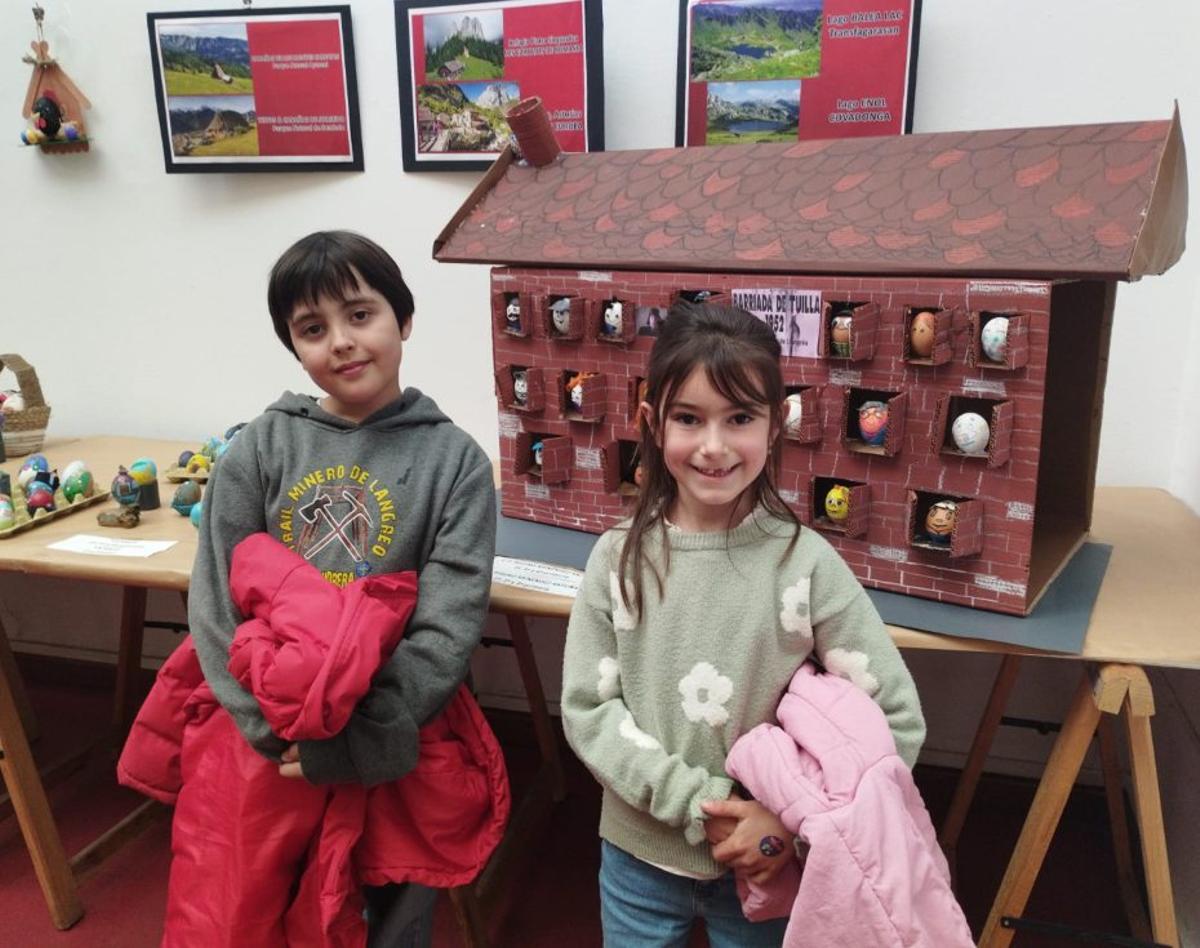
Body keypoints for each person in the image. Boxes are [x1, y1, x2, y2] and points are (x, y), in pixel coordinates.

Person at [560, 301, 925, 947]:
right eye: (688, 418)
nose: (713, 446)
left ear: (777, 423)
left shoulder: (807, 564)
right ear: (652, 422)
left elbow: (894, 718)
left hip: (773, 862)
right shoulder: (617, 558)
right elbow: (589, 709)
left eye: (740, 418)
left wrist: (793, 817)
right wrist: (707, 808)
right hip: (637, 859)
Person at [188, 230, 497, 947]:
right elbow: (214, 603)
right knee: (267, 906)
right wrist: (270, 732)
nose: (342, 342)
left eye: (361, 315)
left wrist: (361, 739)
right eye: (312, 328)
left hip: (396, 731)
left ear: (404, 319)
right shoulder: (259, 448)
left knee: (393, 908)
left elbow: (448, 623)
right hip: (272, 737)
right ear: (294, 347)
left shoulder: (456, 462)